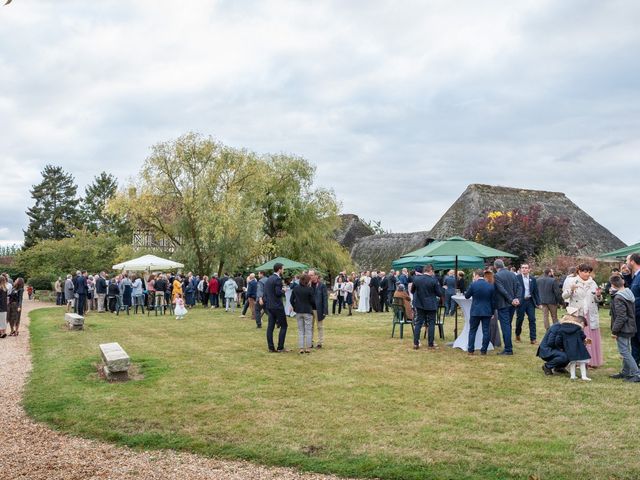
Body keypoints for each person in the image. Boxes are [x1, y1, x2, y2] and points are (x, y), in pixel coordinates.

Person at [562, 263, 604, 367]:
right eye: (585, 271)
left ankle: (590, 360)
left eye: (589, 272)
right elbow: (564, 296)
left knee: (590, 337)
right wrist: (571, 290)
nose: (587, 274)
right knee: (577, 336)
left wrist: (599, 296)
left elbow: (597, 299)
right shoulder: (572, 281)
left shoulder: (593, 283)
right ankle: (576, 360)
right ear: (579, 271)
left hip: (589, 313)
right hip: (577, 313)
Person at [609, 274, 640, 382]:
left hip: (623, 328)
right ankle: (626, 372)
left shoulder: (619, 297)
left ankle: (636, 374)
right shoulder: (628, 293)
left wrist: (614, 330)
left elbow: (621, 316)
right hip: (630, 326)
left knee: (624, 352)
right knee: (627, 349)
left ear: (612, 284)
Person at [410, 264, 443, 350]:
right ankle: (430, 344)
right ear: (430, 270)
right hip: (431, 304)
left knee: (418, 323)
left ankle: (415, 343)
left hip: (419, 304)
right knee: (431, 323)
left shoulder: (416, 279)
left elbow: (412, 291)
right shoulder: (433, 280)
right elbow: (439, 293)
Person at [493, 259, 522, 355]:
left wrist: (512, 300)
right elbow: (519, 287)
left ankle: (508, 349)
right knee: (508, 325)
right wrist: (516, 298)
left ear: (495, 267)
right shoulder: (512, 274)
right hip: (512, 305)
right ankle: (508, 347)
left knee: (505, 326)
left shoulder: (497, 276)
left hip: (503, 304)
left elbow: (502, 290)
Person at [465, 270, 495, 355]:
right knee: (486, 331)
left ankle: (471, 350)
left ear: (477, 275)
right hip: (487, 311)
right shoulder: (490, 286)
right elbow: (493, 301)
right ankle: (483, 350)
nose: (474, 277)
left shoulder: (473, 285)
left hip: (475, 311)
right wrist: (492, 312)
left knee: (472, 330)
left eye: (474, 275)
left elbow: (467, 296)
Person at [556, 311, 591, 381]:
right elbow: (582, 336)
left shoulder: (561, 329)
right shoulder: (578, 328)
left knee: (572, 362)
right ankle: (584, 376)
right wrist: (585, 340)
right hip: (579, 348)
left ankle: (572, 376)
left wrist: (561, 347)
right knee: (582, 362)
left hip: (569, 348)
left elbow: (558, 340)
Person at [264, 262, 288, 352]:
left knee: (270, 327)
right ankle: (280, 347)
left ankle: (271, 347)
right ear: (279, 269)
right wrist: (284, 290)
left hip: (269, 305)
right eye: (283, 269)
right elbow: (278, 293)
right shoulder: (278, 279)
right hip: (277, 306)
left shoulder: (268, 279)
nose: (283, 270)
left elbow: (266, 292)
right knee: (284, 326)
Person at [515, 263, 541, 344]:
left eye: (526, 268)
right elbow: (514, 290)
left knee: (532, 319)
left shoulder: (533, 279)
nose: (524, 269)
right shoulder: (517, 278)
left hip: (530, 301)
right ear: (520, 269)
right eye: (522, 268)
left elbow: (536, 292)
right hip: (521, 301)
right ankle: (517, 334)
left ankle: (533, 339)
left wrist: (539, 303)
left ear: (529, 269)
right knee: (520, 319)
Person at [290, 273, 316, 354]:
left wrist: (295, 307)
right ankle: (308, 347)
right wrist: (312, 307)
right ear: (307, 281)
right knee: (308, 330)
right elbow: (313, 301)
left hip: (298, 311)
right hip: (308, 311)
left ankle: (301, 348)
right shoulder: (310, 289)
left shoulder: (296, 288)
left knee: (301, 330)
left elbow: (291, 300)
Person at [626, 253, 640, 364]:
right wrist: (626, 275)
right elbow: (632, 289)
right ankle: (634, 369)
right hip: (635, 313)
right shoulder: (636, 276)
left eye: (627, 260)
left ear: (632, 262)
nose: (626, 263)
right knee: (634, 341)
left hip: (638, 313)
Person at [310, 270, 328, 348]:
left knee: (319, 326)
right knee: (310, 327)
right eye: (309, 275)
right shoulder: (307, 285)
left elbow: (325, 298)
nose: (310, 277)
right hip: (309, 309)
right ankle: (309, 342)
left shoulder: (322, 285)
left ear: (316, 276)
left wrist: (325, 310)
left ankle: (320, 342)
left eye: (311, 275)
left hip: (319, 309)